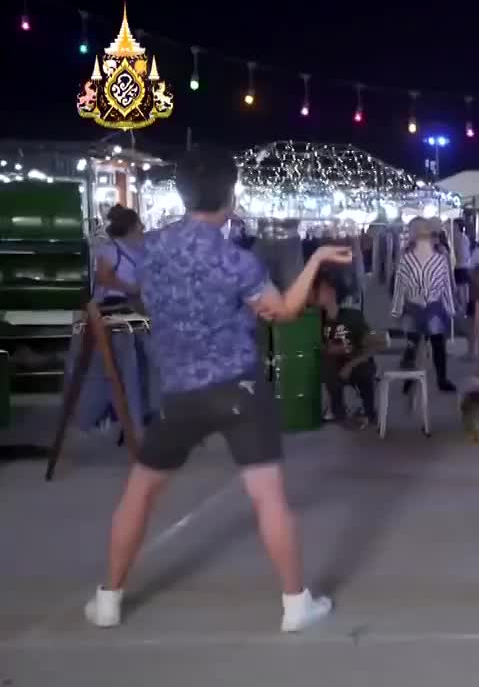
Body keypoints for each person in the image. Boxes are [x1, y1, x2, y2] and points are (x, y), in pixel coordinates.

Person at [85, 148, 350, 632]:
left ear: (183, 193)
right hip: (238, 388)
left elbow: (136, 287)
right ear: (231, 195)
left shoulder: (153, 249)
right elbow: (285, 311)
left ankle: (108, 599)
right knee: (269, 498)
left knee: (139, 494)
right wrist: (314, 260)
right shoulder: (236, 261)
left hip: (179, 391)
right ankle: (296, 605)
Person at [391, 217, 457, 392]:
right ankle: (410, 378)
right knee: (412, 343)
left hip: (434, 304)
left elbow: (447, 280)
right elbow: (399, 282)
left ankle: (441, 378)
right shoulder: (405, 254)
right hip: (412, 304)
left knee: (438, 343)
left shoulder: (440, 252)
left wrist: (450, 303)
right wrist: (398, 307)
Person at [313, 270, 381, 430]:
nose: (315, 294)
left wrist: (350, 364)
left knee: (364, 368)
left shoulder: (352, 317)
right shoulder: (315, 320)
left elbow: (376, 344)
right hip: (333, 368)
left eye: (319, 289)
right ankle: (339, 412)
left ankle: (369, 411)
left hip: (356, 365)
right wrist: (329, 350)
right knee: (328, 363)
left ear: (331, 291)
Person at [94, 205, 145, 312]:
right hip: (114, 304)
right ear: (131, 227)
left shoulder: (137, 248)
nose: (143, 226)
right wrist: (133, 289)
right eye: (139, 223)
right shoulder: (110, 249)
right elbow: (103, 278)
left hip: (133, 303)